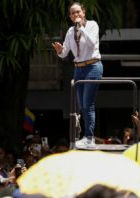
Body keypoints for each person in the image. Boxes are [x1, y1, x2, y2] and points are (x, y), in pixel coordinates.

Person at [52, 2, 103, 148]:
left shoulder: (92, 25)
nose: (76, 15)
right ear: (70, 16)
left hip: (93, 66)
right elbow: (64, 54)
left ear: (83, 12)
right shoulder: (70, 31)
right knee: (81, 105)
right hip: (78, 69)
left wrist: (81, 28)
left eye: (78, 12)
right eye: (73, 13)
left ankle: (89, 137)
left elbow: (92, 43)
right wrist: (59, 50)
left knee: (88, 103)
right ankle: (86, 137)